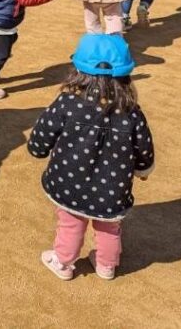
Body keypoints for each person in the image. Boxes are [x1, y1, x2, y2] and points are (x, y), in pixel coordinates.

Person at [27, 33, 155, 281]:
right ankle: (107, 266)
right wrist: (143, 170)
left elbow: (44, 131)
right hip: (112, 189)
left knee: (71, 223)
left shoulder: (67, 102)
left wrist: (38, 149)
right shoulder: (131, 112)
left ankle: (63, 262)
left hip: (69, 183)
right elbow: (144, 147)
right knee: (109, 227)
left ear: (78, 71)